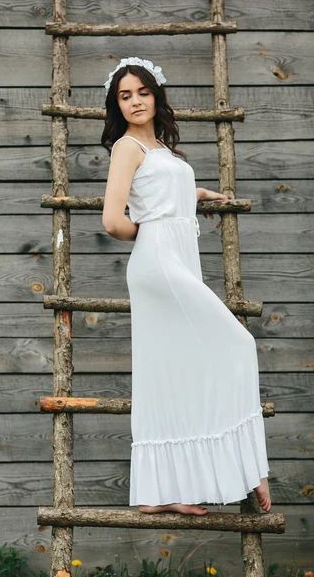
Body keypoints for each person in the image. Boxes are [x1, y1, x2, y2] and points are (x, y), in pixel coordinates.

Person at [101, 57, 271, 516]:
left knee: (170, 371)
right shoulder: (126, 148)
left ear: (156, 96)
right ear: (117, 104)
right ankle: (249, 468)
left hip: (176, 259)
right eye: (125, 95)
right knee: (238, 344)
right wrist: (158, 232)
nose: (136, 101)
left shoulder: (158, 147)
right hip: (159, 264)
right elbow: (114, 221)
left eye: (142, 92)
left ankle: (159, 493)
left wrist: (198, 196)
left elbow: (162, 193)